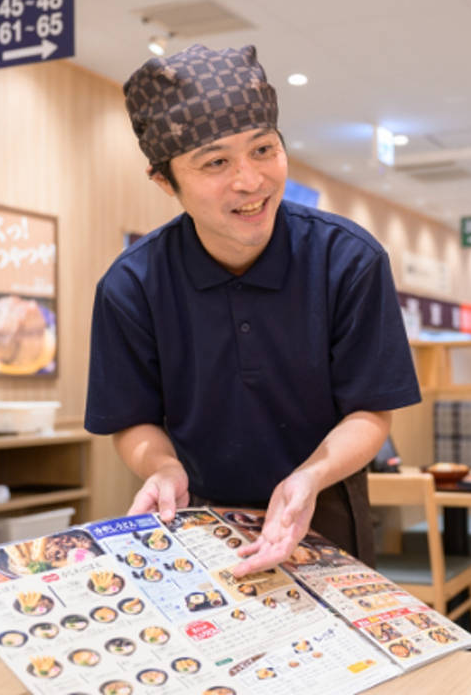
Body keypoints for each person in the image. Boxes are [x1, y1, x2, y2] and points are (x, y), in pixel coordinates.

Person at [85, 44, 421, 579]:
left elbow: (370, 411)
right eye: (216, 162)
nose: (251, 180)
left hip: (323, 509)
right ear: (164, 181)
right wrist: (163, 467)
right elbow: (132, 420)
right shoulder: (132, 285)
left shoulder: (348, 260)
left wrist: (310, 477)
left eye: (264, 149)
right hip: (194, 519)